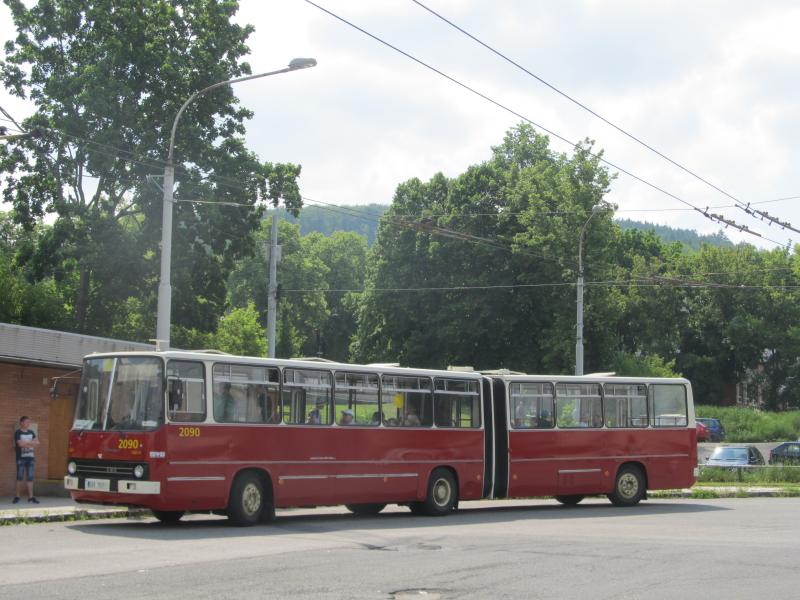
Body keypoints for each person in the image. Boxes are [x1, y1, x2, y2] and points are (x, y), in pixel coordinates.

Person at [13, 416, 40, 504]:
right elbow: (20, 444)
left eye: (29, 422)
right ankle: (17, 496)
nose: (28, 424)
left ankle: (31, 497)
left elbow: (37, 443)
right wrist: (31, 443)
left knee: (30, 478)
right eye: (27, 422)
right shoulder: (17, 432)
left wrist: (27, 443)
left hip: (31, 458)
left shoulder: (31, 432)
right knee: (19, 477)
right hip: (21, 458)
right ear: (21, 423)